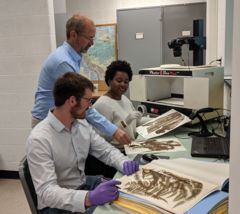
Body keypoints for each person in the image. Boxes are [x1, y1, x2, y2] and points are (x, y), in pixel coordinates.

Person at [27, 72, 139, 214]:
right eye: (88, 100)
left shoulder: (81, 125)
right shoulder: (39, 139)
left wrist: (123, 162)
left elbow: (106, 151)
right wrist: (89, 198)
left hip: (81, 184)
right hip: (56, 205)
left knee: (127, 196)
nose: (90, 106)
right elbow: (46, 192)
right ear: (73, 101)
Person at [31, 14, 130, 145]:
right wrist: (114, 131)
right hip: (48, 123)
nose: (92, 43)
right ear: (73, 35)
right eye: (89, 38)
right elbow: (82, 105)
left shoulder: (73, 57)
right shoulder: (63, 62)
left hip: (60, 120)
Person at [93, 60, 151, 151]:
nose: (123, 85)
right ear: (109, 80)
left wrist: (156, 120)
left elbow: (135, 123)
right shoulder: (102, 104)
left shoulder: (125, 99)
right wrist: (125, 122)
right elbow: (103, 138)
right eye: (119, 81)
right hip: (116, 153)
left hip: (132, 146)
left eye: (126, 82)